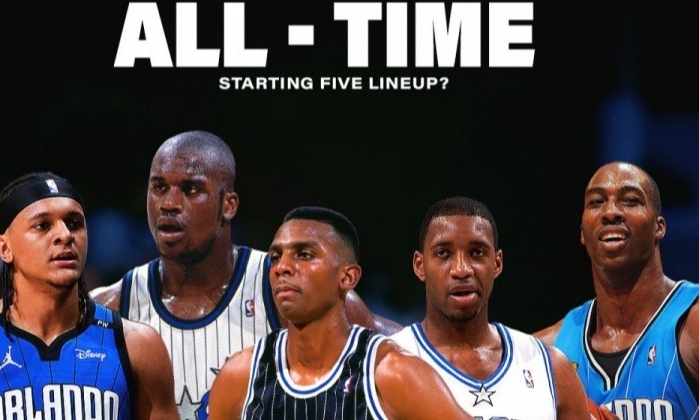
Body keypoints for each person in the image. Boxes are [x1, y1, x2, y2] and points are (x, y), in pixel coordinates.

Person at [89, 130, 402, 419]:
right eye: (159, 188)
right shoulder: (111, 307)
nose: (169, 204)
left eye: (191, 189)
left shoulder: (285, 283)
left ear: (228, 205)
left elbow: (398, 349)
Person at [0, 171, 179, 419]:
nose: (65, 234)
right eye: (43, 225)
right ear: (5, 248)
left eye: (74, 223)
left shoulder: (138, 346)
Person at [208, 206, 471, 419]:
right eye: (276, 256)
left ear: (347, 278)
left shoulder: (392, 374)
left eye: (304, 255)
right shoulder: (240, 376)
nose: (282, 267)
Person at [390, 196, 593, 419]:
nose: (461, 269)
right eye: (443, 253)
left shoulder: (551, 368)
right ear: (419, 266)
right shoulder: (387, 365)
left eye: (476, 252)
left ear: (497, 263)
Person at [535, 161, 699, 418]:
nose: (611, 212)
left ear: (659, 227)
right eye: (596, 202)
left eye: (631, 201)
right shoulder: (547, 352)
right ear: (583, 232)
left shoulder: (692, 323)